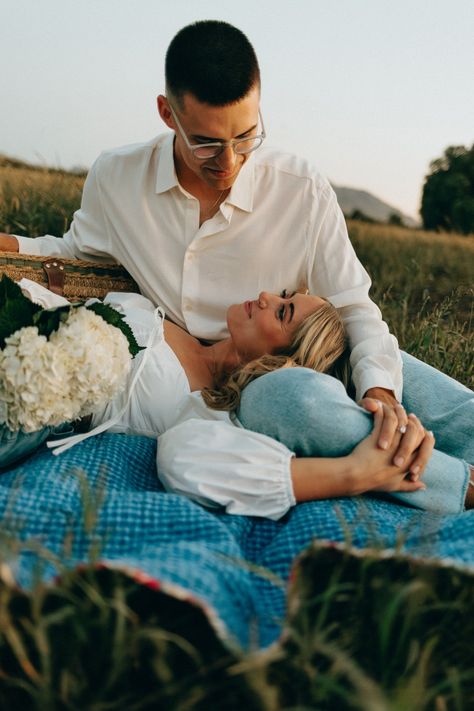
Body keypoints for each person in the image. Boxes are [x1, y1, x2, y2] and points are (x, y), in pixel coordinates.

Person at [0, 20, 413, 466]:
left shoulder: (302, 190)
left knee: (401, 387)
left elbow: (352, 306)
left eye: (246, 136)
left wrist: (379, 389)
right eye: (206, 143)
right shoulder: (117, 177)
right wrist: (11, 246)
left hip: (276, 362)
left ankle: (447, 478)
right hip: (165, 357)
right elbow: (77, 255)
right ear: (166, 113)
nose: (230, 161)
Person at [7, 281, 472, 519]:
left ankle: (464, 482)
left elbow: (185, 460)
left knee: (392, 363)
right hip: (20, 313)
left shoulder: (221, 408)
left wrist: (355, 473)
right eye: (285, 295)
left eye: (284, 311)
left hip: (19, 397)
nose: (267, 295)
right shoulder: (183, 324)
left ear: (287, 357)